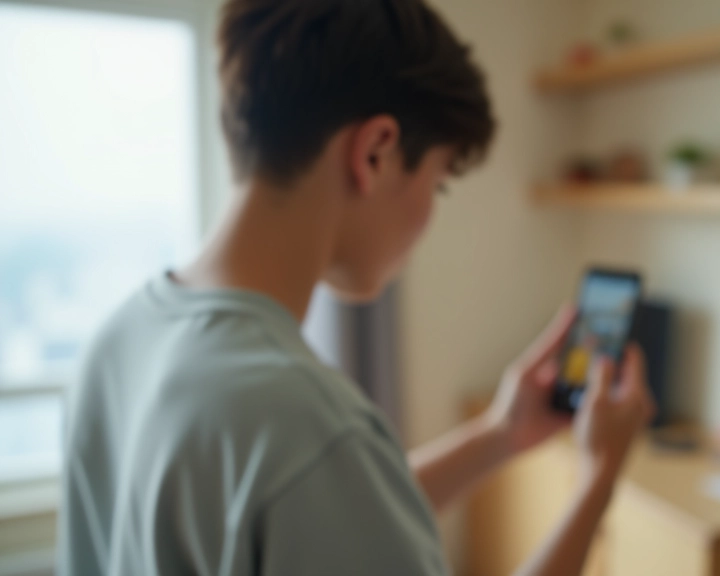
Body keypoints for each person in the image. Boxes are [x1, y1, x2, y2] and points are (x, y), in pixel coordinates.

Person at [57, 0, 654, 574]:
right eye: (439, 183)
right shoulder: (305, 424)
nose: (429, 215)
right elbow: (321, 478)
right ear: (374, 152)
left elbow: (324, 513)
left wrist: (500, 434)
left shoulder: (116, 341)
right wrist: (597, 482)